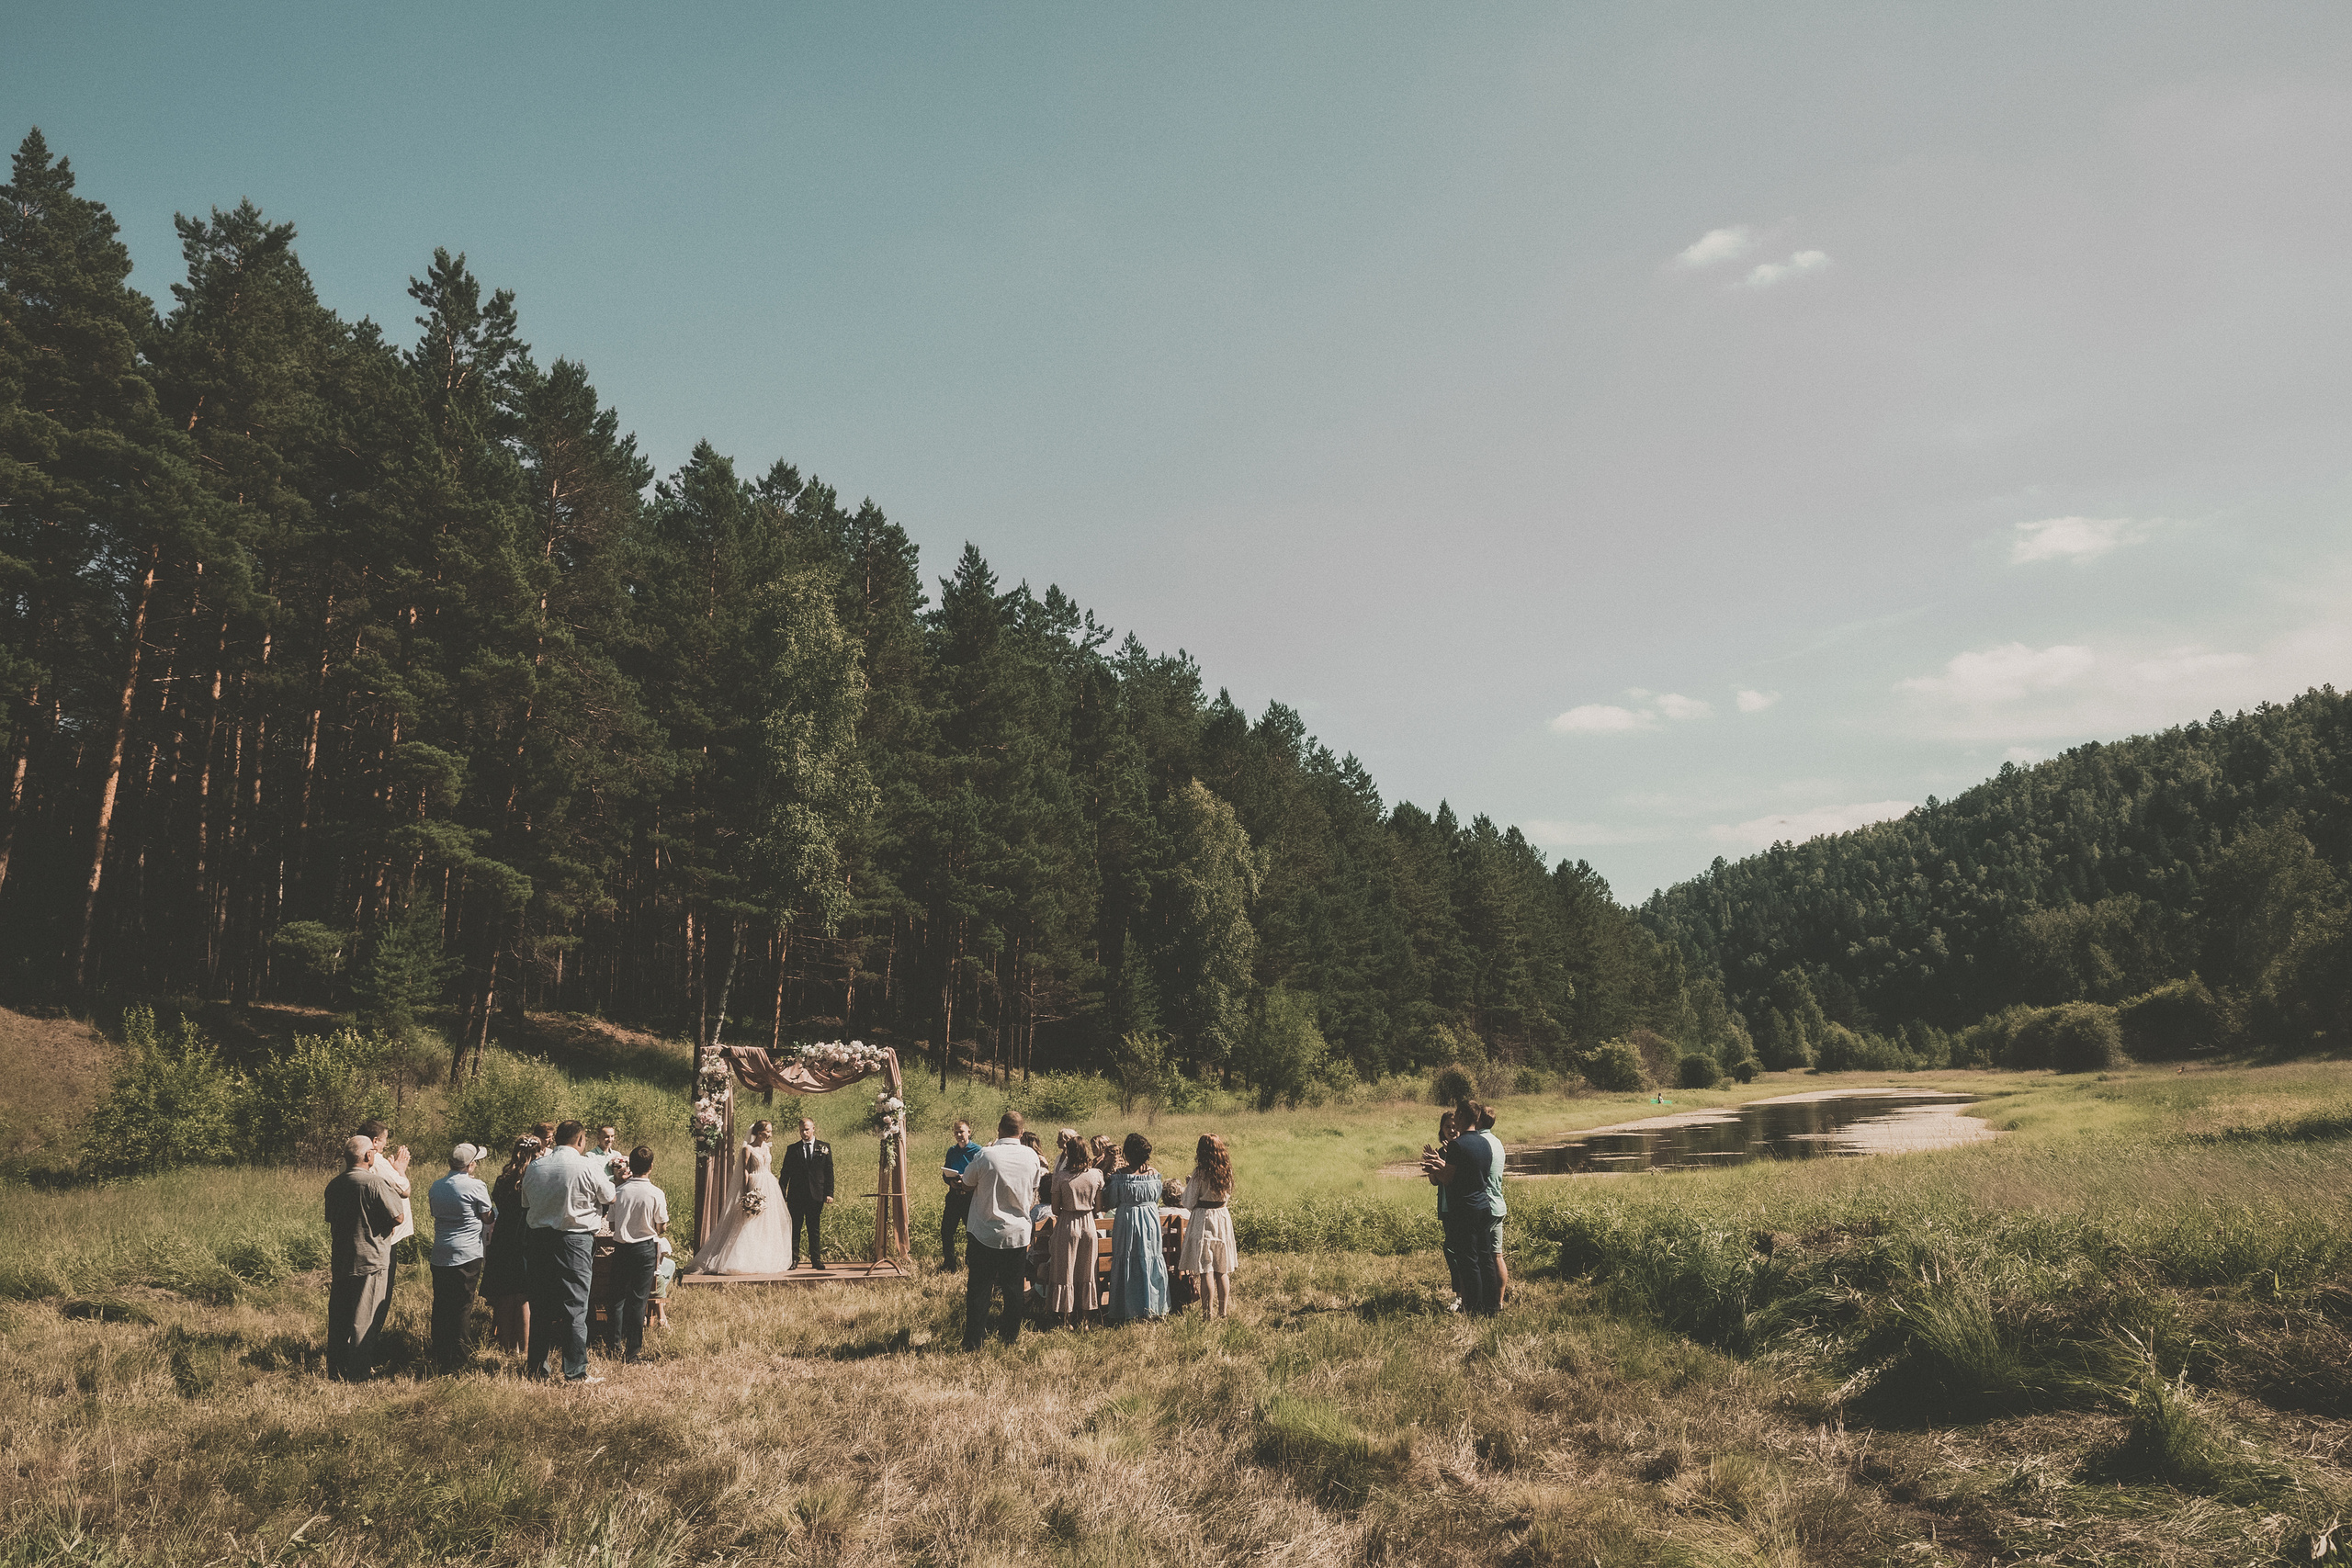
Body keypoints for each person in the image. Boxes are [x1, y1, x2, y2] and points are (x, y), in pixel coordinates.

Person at [520, 1120, 615, 1383]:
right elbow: (610, 1196)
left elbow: (525, 1202)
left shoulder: (536, 1167)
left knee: (540, 1306)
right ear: (581, 1140)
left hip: (539, 1240)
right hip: (574, 1240)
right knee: (574, 1306)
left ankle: (537, 1369)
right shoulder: (587, 1165)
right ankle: (574, 1371)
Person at [957, 1111, 1048, 1349]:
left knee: (979, 1288)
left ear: (999, 1129)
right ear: (1021, 1131)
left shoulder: (986, 1154)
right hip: (1017, 1232)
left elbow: (966, 1183)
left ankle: (974, 1340)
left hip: (985, 1231)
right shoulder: (1031, 1157)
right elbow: (1034, 1186)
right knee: (1013, 1288)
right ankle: (1009, 1336)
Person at [324, 1134, 400, 1382]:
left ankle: (335, 1370)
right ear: (368, 1156)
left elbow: (333, 1218)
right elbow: (397, 1216)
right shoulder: (375, 1183)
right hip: (372, 1258)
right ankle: (358, 1375)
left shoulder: (334, 1185)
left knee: (340, 1317)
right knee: (364, 1319)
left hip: (343, 1257)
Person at [1422, 1100, 1500, 1315]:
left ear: (1464, 1116)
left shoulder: (1458, 1145)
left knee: (1468, 1260)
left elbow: (1448, 1179)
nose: (1454, 1119)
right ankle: (1492, 1306)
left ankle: (1473, 1308)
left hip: (1463, 1208)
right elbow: (1471, 1172)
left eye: (1457, 1114)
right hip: (1483, 1205)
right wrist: (1441, 1164)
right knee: (1485, 1257)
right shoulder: (1485, 1142)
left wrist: (1434, 1168)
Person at [426, 1142, 496, 1371]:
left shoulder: (436, 1186)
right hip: (466, 1253)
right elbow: (487, 1217)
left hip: (441, 1252)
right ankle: (459, 1359)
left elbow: (435, 1214)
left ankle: (439, 1354)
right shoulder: (476, 1186)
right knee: (463, 1306)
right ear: (471, 1165)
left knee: (442, 1304)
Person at [698, 1120, 792, 1273]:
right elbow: (745, 1170)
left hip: (769, 1184)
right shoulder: (748, 1149)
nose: (770, 1134)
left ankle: (765, 1257)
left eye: (770, 1131)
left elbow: (768, 1167)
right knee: (750, 1220)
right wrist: (747, 1191)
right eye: (767, 1131)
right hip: (755, 1183)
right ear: (759, 1132)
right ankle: (742, 1257)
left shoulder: (767, 1148)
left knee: (767, 1222)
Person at [605, 1145, 668, 1363]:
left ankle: (613, 1346)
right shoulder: (656, 1193)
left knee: (617, 1298)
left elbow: (612, 1224)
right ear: (651, 1167)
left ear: (630, 1166)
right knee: (638, 1300)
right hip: (644, 1248)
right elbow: (661, 1226)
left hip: (622, 1248)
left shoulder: (618, 1192)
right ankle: (632, 1351)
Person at [356, 1119, 412, 1354]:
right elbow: (404, 1189)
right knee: (381, 1293)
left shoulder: (356, 1160)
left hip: (366, 1236)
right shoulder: (376, 1160)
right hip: (387, 1237)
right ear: (375, 1141)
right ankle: (369, 1345)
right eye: (385, 1140)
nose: (386, 1145)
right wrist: (400, 1170)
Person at [481, 1135, 540, 1351]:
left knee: (505, 1292)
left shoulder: (503, 1179)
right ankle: (524, 1348)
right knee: (523, 1294)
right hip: (527, 1233)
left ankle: (507, 1346)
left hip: (504, 1235)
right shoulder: (537, 1179)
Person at [1103, 1133, 1169, 1324]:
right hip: (1150, 1220)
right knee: (1149, 1259)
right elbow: (1156, 1197)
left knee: (1128, 1260)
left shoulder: (1120, 1176)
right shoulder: (1153, 1174)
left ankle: (1128, 1308)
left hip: (1128, 1220)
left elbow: (1111, 1201)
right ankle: (1153, 1306)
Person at [1177, 1134, 1238, 1320]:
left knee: (1206, 1270)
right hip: (1222, 1218)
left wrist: (1189, 1185)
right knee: (1222, 1269)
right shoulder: (1226, 1171)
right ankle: (1223, 1312)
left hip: (1204, 1219)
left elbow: (1188, 1201)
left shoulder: (1200, 1173)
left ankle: (1207, 1314)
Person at [1046, 1129, 1103, 1328]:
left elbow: (1055, 1208)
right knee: (1087, 1272)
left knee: (1065, 1271)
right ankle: (1086, 1319)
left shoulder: (1061, 1177)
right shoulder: (1096, 1174)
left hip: (1068, 1223)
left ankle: (1067, 1318)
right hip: (1088, 1223)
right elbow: (1098, 1206)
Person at [778, 1116, 835, 1270]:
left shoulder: (824, 1147)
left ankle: (816, 1259)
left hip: (816, 1195)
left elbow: (829, 1172)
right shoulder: (792, 1149)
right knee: (795, 1228)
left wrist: (829, 1193)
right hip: (796, 1196)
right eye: (802, 1130)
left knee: (814, 1228)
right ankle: (793, 1259)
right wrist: (781, 1194)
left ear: (813, 1129)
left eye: (807, 1129)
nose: (804, 1133)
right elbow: (785, 1173)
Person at [1428, 1111, 1464, 1311]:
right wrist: (1431, 1164)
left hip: (1461, 1207)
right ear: (1441, 1130)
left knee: (1455, 1249)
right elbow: (1435, 1182)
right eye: (1447, 1127)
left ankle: (1462, 1295)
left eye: (1454, 1126)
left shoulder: (1462, 1149)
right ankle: (1461, 1293)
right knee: (1451, 1248)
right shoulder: (1440, 1152)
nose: (1451, 1130)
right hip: (1446, 1207)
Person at [1476, 1103, 1510, 1310]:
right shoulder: (1497, 1142)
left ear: (1478, 1120)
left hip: (1485, 1204)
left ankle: (1481, 1301)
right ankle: (1498, 1301)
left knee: (1480, 1255)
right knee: (1497, 1254)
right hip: (1499, 1203)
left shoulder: (1479, 1142)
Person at [939, 1120, 981, 1272]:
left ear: (969, 1132)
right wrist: (951, 1181)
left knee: (971, 1232)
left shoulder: (978, 1151)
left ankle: (971, 1262)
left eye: (961, 1131)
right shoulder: (952, 1151)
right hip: (954, 1196)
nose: (958, 1135)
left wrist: (966, 1178)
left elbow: (981, 1175)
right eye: (956, 1132)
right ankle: (949, 1264)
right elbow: (945, 1173)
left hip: (970, 1197)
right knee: (946, 1231)